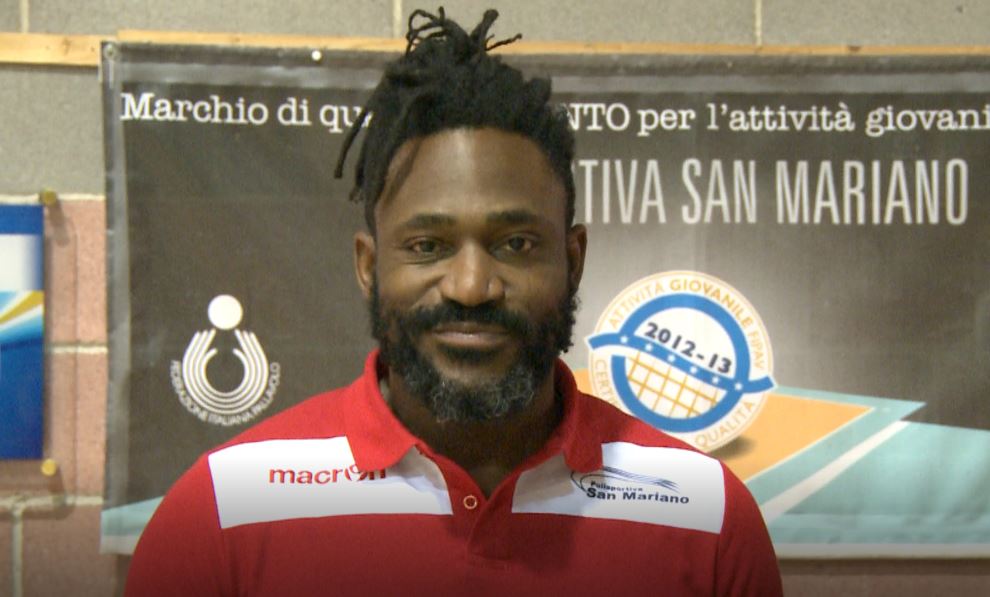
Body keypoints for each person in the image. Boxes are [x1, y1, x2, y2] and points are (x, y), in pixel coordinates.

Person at [126, 8, 783, 596]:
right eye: (428, 245)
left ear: (573, 259)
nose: (471, 286)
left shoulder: (706, 515)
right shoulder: (221, 512)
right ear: (369, 266)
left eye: (516, 242)